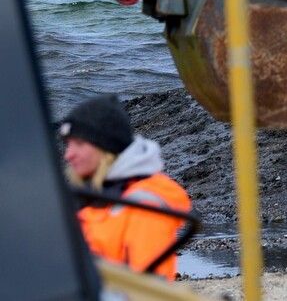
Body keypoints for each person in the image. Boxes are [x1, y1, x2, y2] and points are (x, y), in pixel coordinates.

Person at [59, 94, 192, 280]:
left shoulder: (145, 204)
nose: (68, 155)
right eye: (67, 145)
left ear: (105, 147)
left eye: (79, 144)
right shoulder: (95, 194)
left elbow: (148, 289)